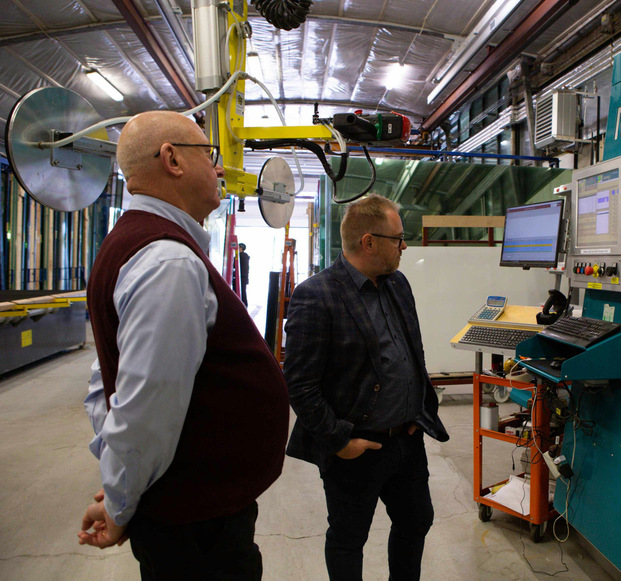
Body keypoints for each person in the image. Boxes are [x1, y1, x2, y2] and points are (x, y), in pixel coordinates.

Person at [78, 111, 289, 580]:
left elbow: (105, 381)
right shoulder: (167, 260)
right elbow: (143, 410)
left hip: (185, 514)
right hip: (199, 530)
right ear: (172, 159)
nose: (218, 169)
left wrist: (123, 490)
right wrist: (120, 503)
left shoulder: (134, 245)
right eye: (209, 155)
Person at [283, 194, 449, 581]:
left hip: (406, 439)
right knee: (348, 537)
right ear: (368, 242)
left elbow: (412, 351)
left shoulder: (398, 284)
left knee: (416, 521)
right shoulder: (317, 295)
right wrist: (340, 441)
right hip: (356, 448)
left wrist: (418, 409)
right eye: (398, 238)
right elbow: (301, 384)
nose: (404, 245)